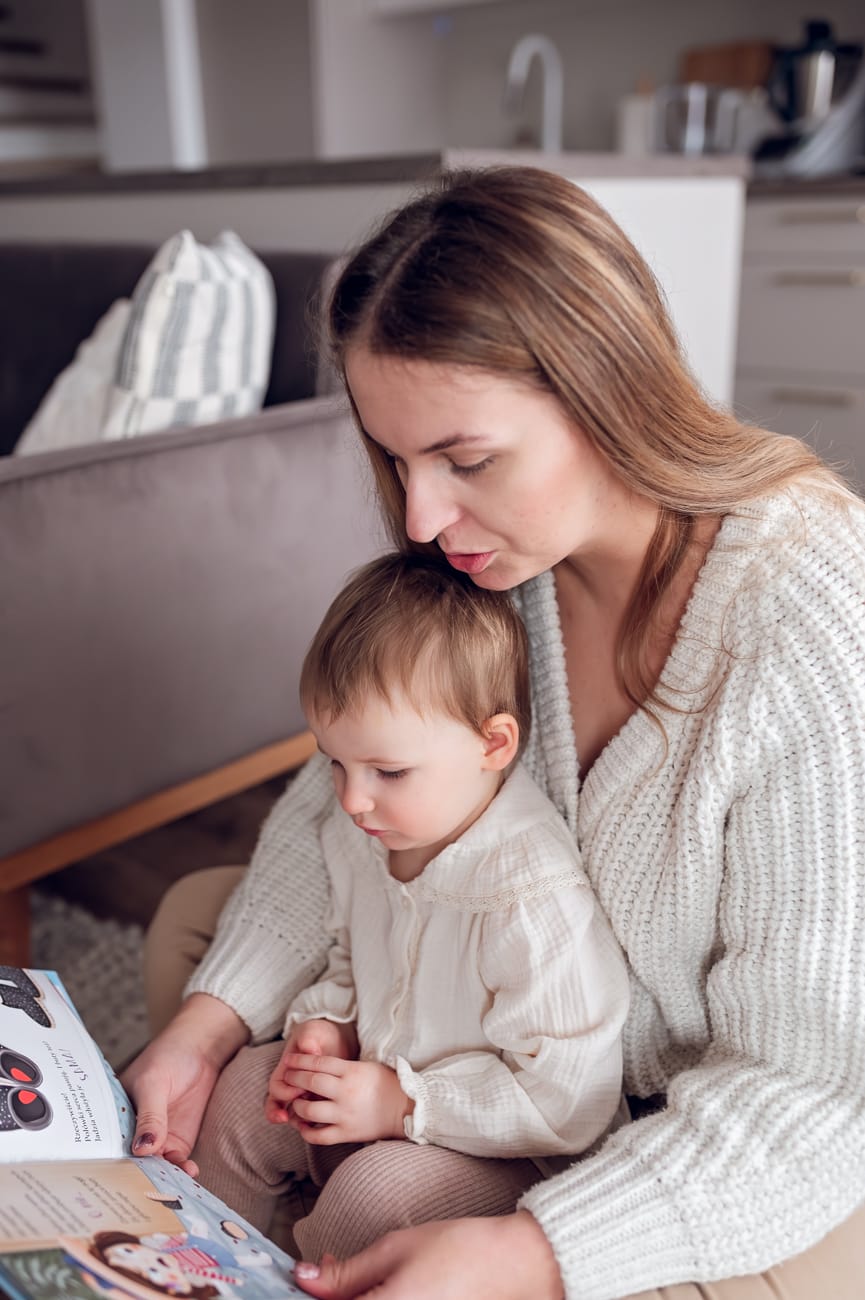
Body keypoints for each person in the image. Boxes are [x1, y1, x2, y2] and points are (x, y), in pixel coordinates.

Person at [123, 166, 865, 1300]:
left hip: (725, 1133)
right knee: (199, 948)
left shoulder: (805, 609)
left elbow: (809, 1086)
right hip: (500, 1048)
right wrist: (211, 1025)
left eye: (466, 460)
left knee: (390, 1205)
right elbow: (342, 809)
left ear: (603, 389)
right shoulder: (496, 569)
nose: (420, 518)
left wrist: (539, 1248)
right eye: (396, 460)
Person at [190, 551, 629, 1258]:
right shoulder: (367, 830)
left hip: (505, 1147)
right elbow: (350, 952)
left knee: (375, 1194)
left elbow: (564, 1098)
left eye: (387, 772)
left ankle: (312, 1262)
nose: (351, 798)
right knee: (242, 1090)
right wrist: (327, 1025)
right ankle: (197, 1264)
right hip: (376, 1088)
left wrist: (401, 1104)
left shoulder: (529, 896)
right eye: (334, 761)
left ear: (492, 744)